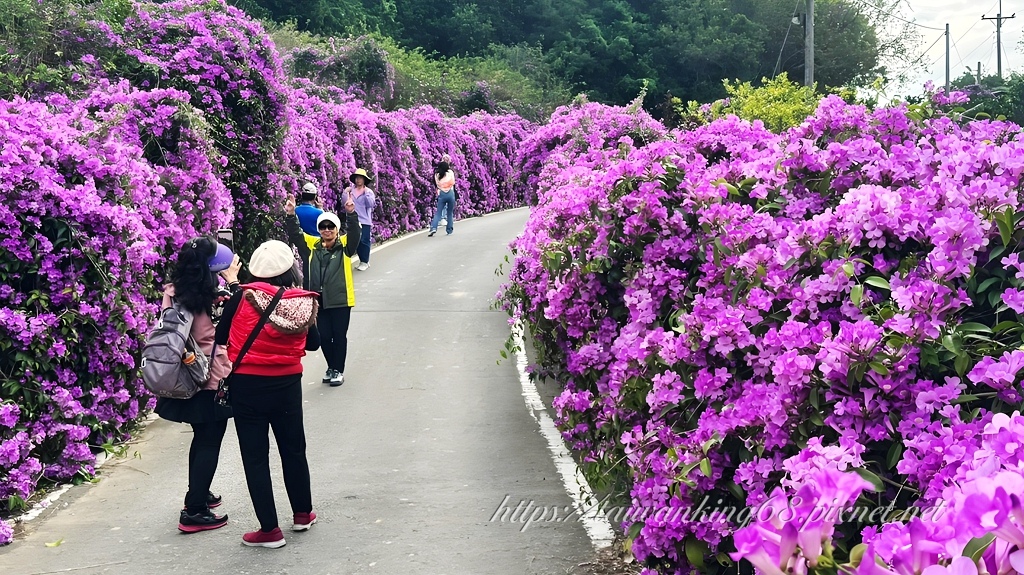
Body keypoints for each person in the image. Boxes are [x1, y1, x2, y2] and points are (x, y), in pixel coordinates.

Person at [215, 240, 322, 548]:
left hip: (248, 386)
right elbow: (314, 343)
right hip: (287, 385)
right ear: (290, 269)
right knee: (293, 449)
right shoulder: (301, 301)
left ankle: (270, 530)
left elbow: (221, 336)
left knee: (255, 457)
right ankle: (302, 513)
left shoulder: (242, 297)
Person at [155, 236, 241, 533]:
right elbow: (237, 318)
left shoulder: (173, 292)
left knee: (201, 436)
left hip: (186, 370)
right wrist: (233, 281)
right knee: (209, 440)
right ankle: (194, 511)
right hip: (210, 374)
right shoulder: (214, 297)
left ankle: (198, 493)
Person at [286, 196, 360, 386]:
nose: (327, 229)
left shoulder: (345, 246)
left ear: (336, 229)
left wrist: (351, 214)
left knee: (339, 336)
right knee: (324, 337)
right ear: (319, 229)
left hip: (341, 300)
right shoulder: (312, 245)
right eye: (323, 226)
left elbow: (355, 234)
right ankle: (331, 367)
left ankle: (338, 370)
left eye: (331, 226)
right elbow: (296, 234)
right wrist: (291, 214)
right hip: (318, 300)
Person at [342, 168, 376, 271]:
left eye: (361, 178)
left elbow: (370, 204)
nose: (358, 180)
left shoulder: (368, 191)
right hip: (353, 220)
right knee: (356, 241)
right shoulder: (351, 191)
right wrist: (345, 193)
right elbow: (344, 203)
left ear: (364, 180)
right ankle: (362, 260)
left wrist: (366, 194)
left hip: (365, 220)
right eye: (357, 178)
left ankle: (364, 261)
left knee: (364, 241)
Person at [292, 182, 323, 290]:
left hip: (299, 244)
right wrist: (321, 208)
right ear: (315, 197)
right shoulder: (319, 213)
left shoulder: (295, 210)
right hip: (315, 246)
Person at [429, 154, 456, 237]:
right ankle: (449, 230)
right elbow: (453, 182)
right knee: (449, 213)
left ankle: (433, 228)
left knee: (438, 213)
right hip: (450, 193)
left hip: (442, 194)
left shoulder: (437, 175)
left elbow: (437, 184)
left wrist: (442, 188)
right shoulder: (450, 172)